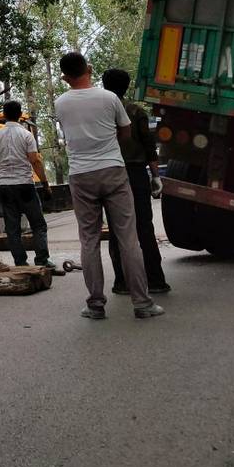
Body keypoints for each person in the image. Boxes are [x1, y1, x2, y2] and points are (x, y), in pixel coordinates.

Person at [54, 51, 164, 321]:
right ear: (89, 69)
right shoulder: (110, 98)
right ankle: (142, 303)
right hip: (113, 171)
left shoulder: (61, 103)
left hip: (81, 175)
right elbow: (125, 133)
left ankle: (95, 305)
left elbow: (67, 134)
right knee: (129, 237)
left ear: (65, 77)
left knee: (89, 240)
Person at [101, 67, 170, 296]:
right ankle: (156, 280)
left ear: (103, 85)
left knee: (117, 229)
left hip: (110, 174)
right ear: (127, 86)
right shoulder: (136, 111)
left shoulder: (99, 114)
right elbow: (150, 148)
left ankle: (122, 282)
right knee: (143, 227)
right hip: (136, 174)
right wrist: (156, 176)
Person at [0, 100, 54, 269]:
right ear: (19, 114)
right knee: (38, 224)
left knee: (12, 227)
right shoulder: (26, 135)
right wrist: (45, 183)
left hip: (5, 187)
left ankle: (20, 262)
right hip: (25, 185)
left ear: (3, 115)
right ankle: (42, 260)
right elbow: (35, 160)